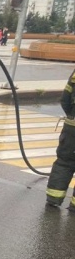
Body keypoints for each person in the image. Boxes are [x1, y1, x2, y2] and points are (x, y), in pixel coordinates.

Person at [45, 68, 75, 209]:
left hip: (72, 127)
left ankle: (53, 198)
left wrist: (71, 116)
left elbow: (65, 98)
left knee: (64, 161)